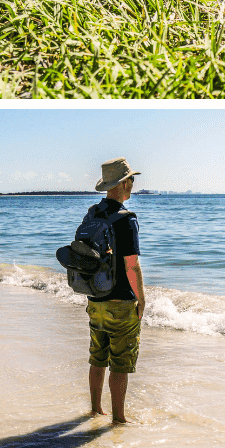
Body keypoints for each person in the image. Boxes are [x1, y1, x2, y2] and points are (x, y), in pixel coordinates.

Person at [86, 157, 146, 424]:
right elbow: (131, 264)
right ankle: (119, 419)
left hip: (95, 297)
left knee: (97, 358)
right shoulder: (126, 219)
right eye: (131, 179)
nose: (132, 184)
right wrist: (141, 298)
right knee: (120, 363)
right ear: (124, 183)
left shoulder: (92, 213)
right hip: (121, 301)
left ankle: (96, 409)